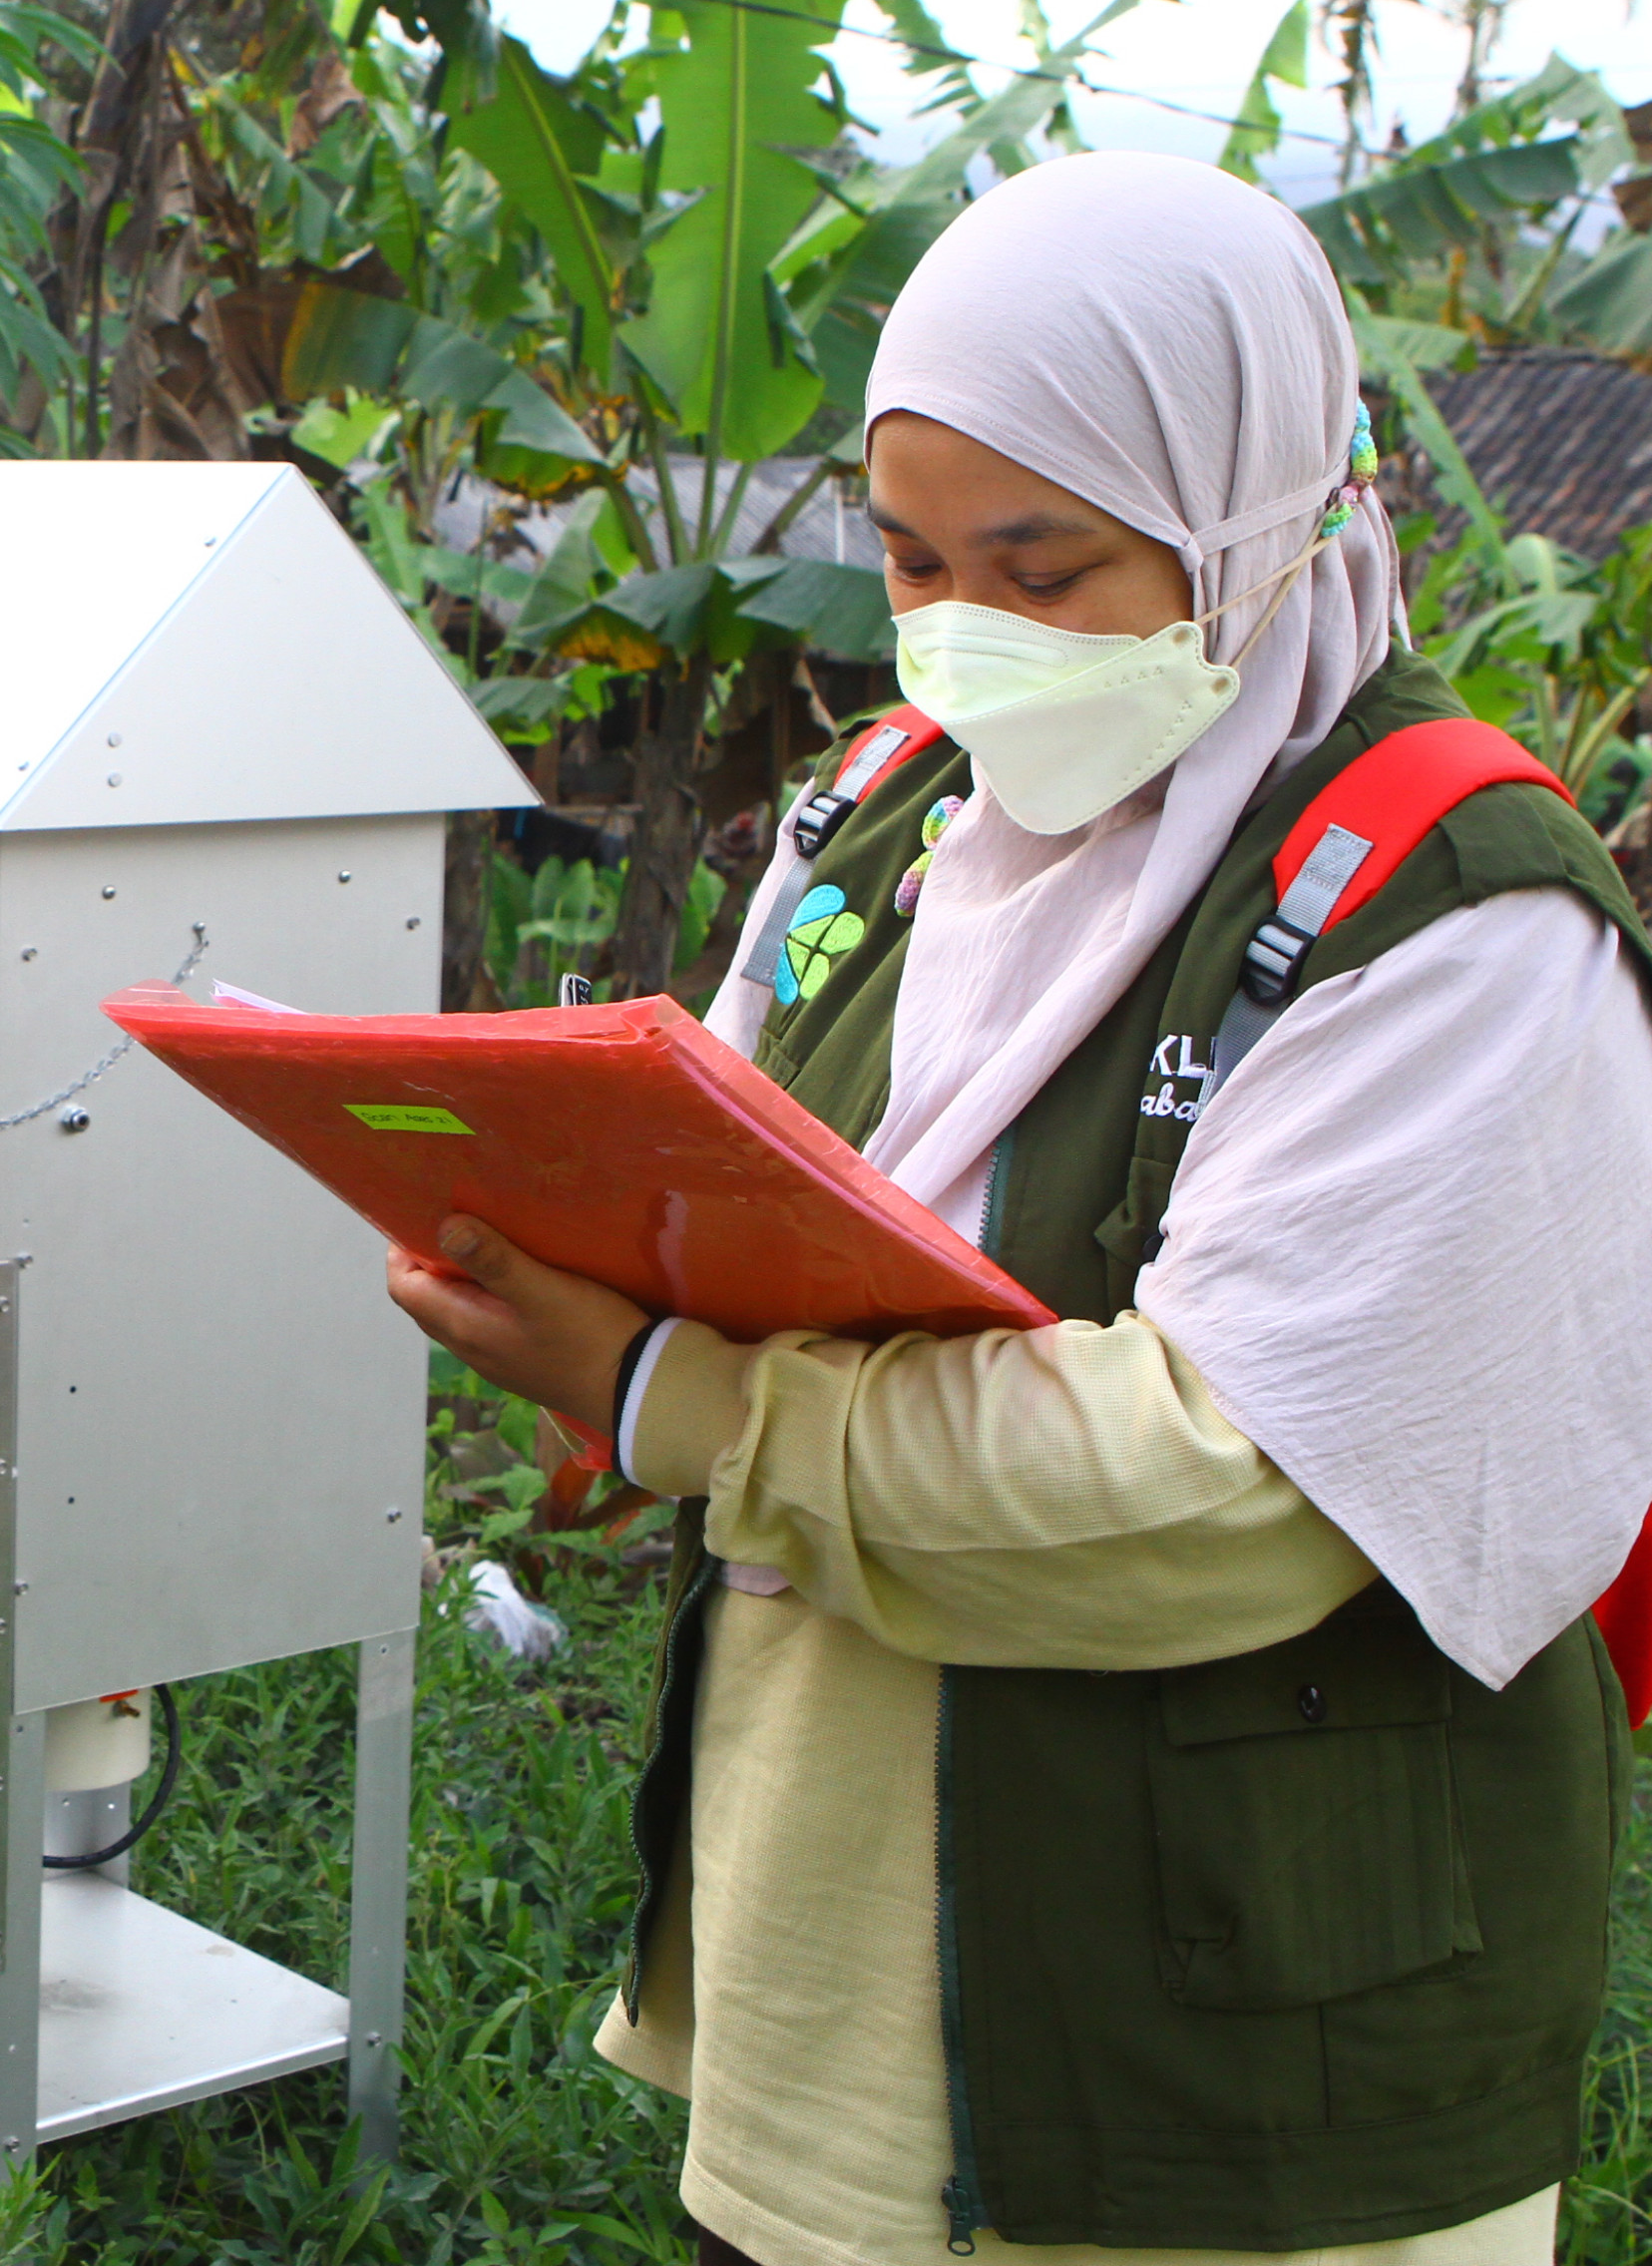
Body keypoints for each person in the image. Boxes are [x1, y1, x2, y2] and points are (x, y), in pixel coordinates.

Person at [392, 150, 1652, 2266]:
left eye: (1047, 569)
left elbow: (1224, 1490)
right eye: (910, 559)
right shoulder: (892, 824)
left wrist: (684, 1404)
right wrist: (584, 1291)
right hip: (837, 1997)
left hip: (1224, 2098)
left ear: (1253, 529)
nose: (966, 634)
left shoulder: (1453, 925)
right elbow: (719, 1162)